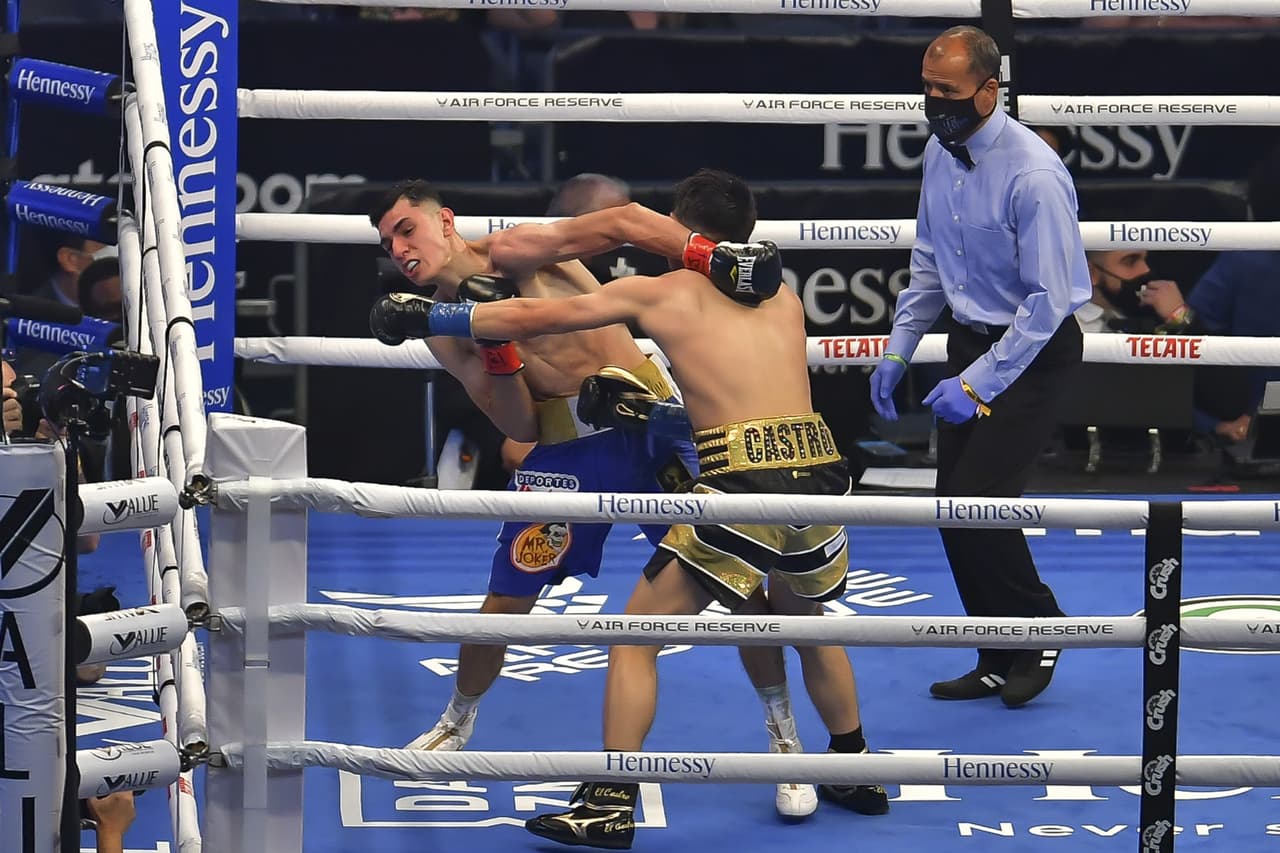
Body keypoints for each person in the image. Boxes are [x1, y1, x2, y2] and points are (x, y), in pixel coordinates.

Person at [387, 169, 889, 848]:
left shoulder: (563, 263)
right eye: (389, 241)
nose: (400, 248)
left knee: (684, 623)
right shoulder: (788, 298)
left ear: (445, 219)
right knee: (510, 597)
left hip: (675, 448)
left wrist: (447, 311)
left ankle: (760, 748)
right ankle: (850, 760)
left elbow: (608, 240)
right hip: (776, 468)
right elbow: (519, 420)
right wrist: (485, 343)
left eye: (406, 228)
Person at [870, 25, 1091, 708]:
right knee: (953, 508)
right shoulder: (943, 153)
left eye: (947, 90)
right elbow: (932, 262)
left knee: (979, 502)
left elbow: (1050, 301)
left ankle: (1041, 625)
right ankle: (998, 653)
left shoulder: (1033, 173)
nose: (934, 102)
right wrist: (901, 342)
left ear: (990, 90)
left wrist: (977, 382)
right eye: (927, 88)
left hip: (1033, 349)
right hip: (972, 341)